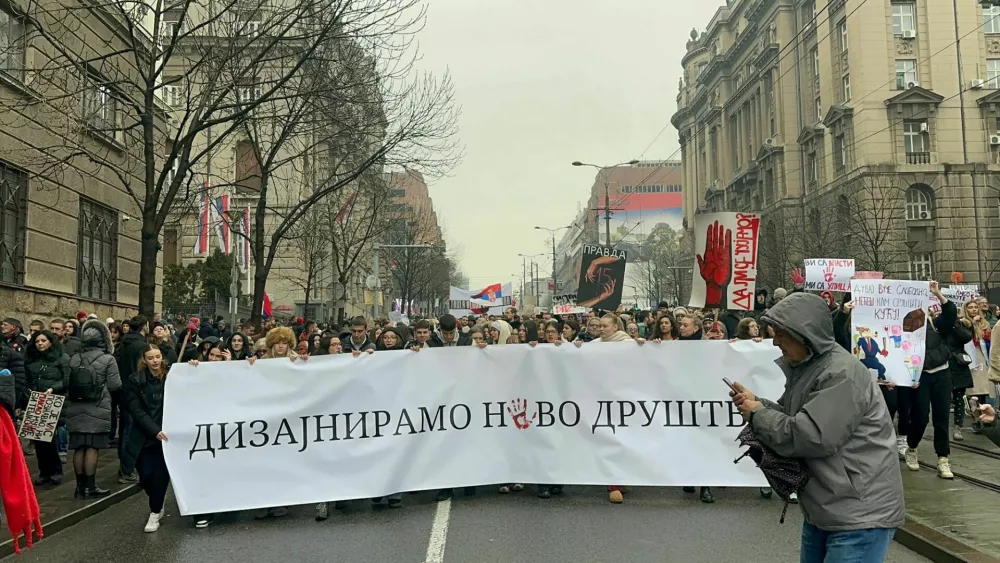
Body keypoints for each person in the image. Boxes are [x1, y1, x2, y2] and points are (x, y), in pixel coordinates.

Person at [730, 292, 904, 562]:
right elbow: (795, 419)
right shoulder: (810, 365)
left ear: (805, 334)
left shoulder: (840, 374)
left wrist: (758, 413)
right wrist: (758, 405)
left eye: (781, 335)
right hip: (831, 508)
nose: (775, 342)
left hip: (857, 515)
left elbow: (810, 435)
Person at [903, 282, 958, 479]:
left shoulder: (936, 323)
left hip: (941, 373)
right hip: (920, 376)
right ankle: (912, 446)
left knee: (942, 418)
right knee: (920, 416)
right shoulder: (907, 325)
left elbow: (950, 314)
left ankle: (943, 459)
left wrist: (938, 294)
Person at [64, 319, 122, 498]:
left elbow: (67, 383)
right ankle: (90, 486)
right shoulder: (108, 359)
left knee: (79, 447)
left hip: (75, 407)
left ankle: (79, 487)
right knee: (92, 447)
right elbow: (114, 385)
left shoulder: (75, 358)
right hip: (97, 407)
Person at [122, 345, 170, 532]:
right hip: (145, 435)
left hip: (167, 435)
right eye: (151, 358)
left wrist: (193, 364)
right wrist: (153, 430)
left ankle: (154, 512)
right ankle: (157, 499)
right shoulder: (135, 381)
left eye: (158, 357)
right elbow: (136, 409)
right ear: (144, 360)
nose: (155, 361)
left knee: (159, 476)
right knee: (145, 476)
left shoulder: (171, 375)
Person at [25, 330, 70, 486]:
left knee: (49, 439)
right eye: (37, 341)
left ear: (50, 342)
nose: (40, 344)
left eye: (43, 340)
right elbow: (27, 378)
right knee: (38, 439)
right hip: (36, 400)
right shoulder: (31, 359)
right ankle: (44, 472)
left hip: (53, 400)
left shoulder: (61, 358)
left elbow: (66, 380)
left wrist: (52, 388)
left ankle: (55, 471)